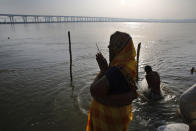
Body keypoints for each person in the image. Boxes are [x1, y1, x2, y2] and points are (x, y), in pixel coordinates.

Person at [86, 31, 138, 131]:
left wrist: (103, 71)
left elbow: (94, 90)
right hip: (119, 121)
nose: (109, 48)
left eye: (111, 46)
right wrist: (106, 71)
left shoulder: (116, 71)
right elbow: (128, 94)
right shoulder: (131, 65)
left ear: (118, 49)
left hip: (107, 124)